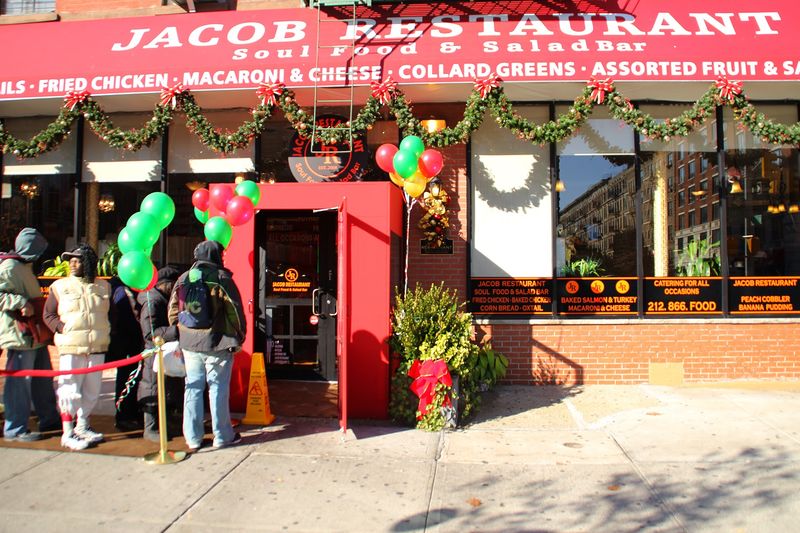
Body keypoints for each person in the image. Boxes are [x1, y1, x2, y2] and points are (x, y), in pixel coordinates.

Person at [168, 241, 246, 451]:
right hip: (217, 342)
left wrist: (182, 330)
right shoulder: (221, 278)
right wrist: (239, 336)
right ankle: (222, 436)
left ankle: (192, 438)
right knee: (218, 389)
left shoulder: (184, 278)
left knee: (192, 388)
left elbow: (173, 310)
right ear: (215, 256)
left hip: (189, 344)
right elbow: (235, 312)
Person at [43, 244, 112, 451]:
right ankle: (67, 432)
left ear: (88, 262)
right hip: (71, 346)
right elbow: (48, 314)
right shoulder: (59, 286)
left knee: (92, 390)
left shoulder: (103, 286)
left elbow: (111, 314)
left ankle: (83, 427)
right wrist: (62, 328)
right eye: (70, 260)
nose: (72, 264)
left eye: (77, 260)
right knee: (69, 390)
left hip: (97, 346)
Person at [0, 228, 61, 442]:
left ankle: (49, 417)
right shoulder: (9, 267)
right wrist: (20, 303)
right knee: (20, 382)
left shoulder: (22, 265)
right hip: (20, 334)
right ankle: (15, 428)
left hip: (34, 333)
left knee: (42, 379)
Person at [137, 265, 183, 442]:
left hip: (164, 352)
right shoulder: (153, 301)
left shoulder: (161, 299)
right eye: (173, 285)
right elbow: (150, 332)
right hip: (154, 353)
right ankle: (150, 428)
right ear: (165, 284)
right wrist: (176, 330)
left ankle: (164, 424)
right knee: (152, 389)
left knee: (165, 389)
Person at [107, 275, 145, 431]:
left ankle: (129, 413)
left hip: (128, 343)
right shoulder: (122, 292)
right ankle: (124, 416)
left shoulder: (121, 290)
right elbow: (128, 319)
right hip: (127, 344)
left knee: (130, 379)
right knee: (127, 380)